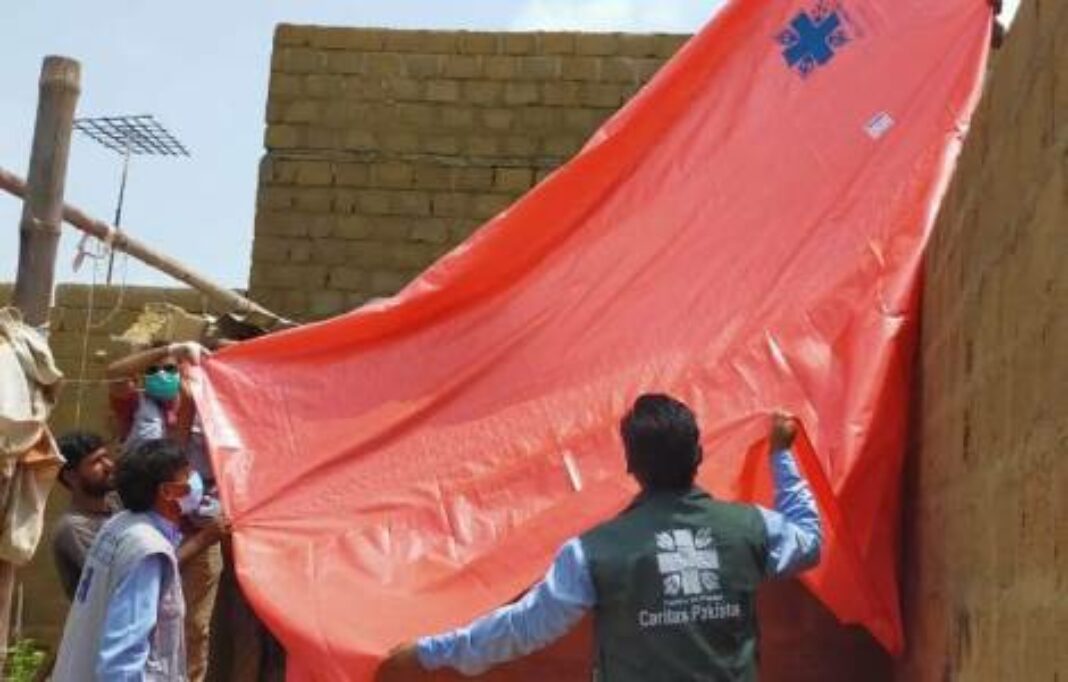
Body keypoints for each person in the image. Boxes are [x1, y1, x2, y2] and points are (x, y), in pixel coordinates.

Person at [380, 394, 823, 681]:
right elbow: (809, 539)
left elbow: (524, 627)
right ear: (699, 455)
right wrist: (781, 456)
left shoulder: (594, 552)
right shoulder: (751, 528)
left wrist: (427, 653)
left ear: (630, 465)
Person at [109, 340, 222, 682]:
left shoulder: (210, 405)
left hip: (199, 527)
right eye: (155, 370)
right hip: (150, 524)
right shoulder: (135, 404)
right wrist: (169, 349)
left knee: (195, 626)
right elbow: (114, 372)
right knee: (147, 617)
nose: (163, 375)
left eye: (171, 369)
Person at [51, 438, 204, 681]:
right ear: (167, 492)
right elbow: (122, 661)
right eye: (187, 475)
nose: (195, 481)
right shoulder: (147, 549)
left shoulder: (119, 524)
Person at [52, 431, 118, 601]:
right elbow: (122, 576)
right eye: (96, 461)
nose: (109, 465)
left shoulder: (117, 503)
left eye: (106, 457)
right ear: (71, 476)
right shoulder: (73, 527)